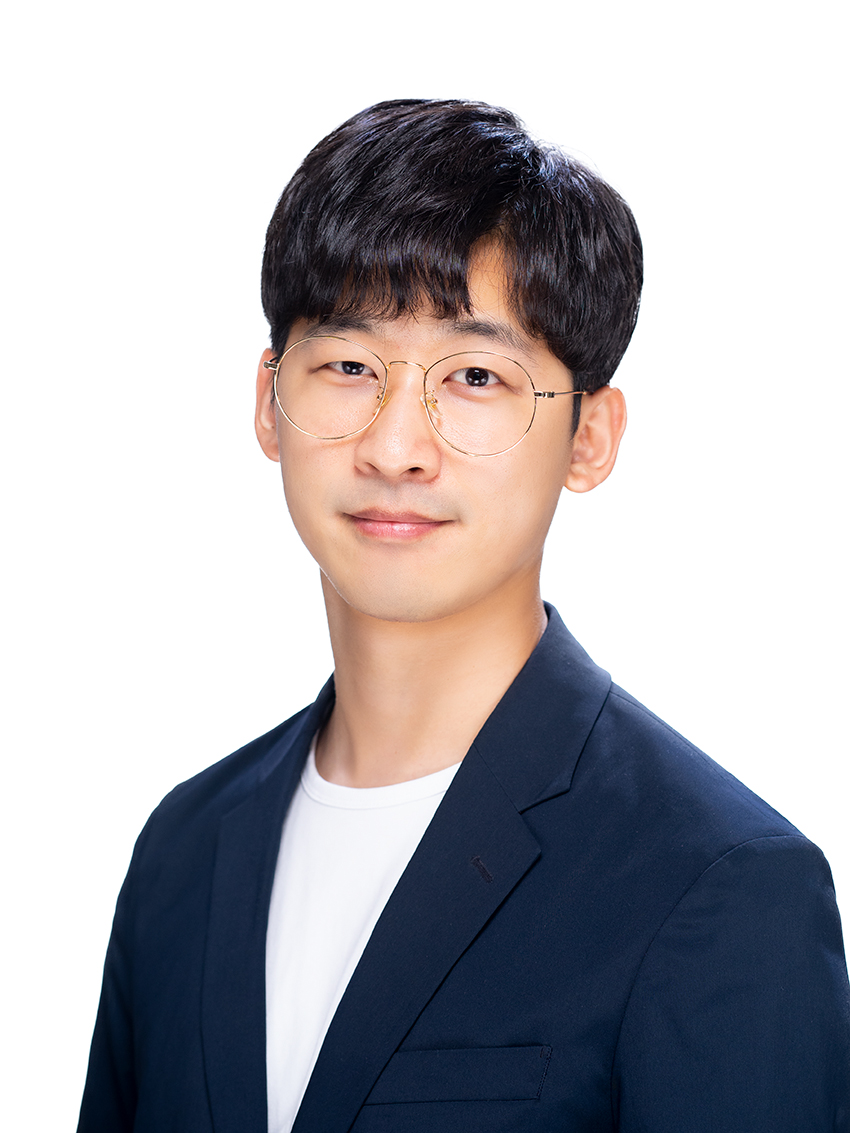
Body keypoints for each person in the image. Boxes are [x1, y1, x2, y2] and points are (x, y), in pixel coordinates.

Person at [77, 99, 850, 1133]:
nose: (395, 446)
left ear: (589, 436)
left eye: (476, 375)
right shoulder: (184, 851)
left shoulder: (718, 883)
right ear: (268, 402)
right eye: (349, 366)